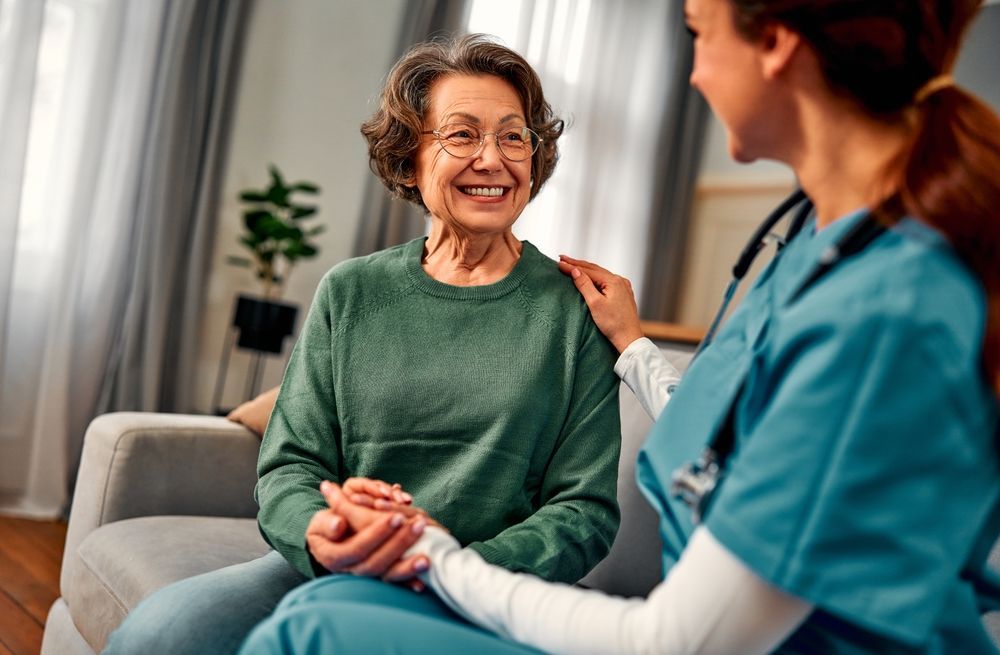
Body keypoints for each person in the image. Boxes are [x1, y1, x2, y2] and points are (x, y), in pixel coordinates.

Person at [239, 0, 1000, 653]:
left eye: (697, 31)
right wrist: (637, 350)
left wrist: (430, 554)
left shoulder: (878, 311)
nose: (694, 73)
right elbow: (737, 438)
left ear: (775, 44)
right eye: (461, 135)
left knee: (313, 628)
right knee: (299, 612)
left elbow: (674, 633)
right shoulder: (812, 250)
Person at [104, 35, 623, 654]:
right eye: (461, 135)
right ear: (408, 160)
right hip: (339, 564)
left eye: (514, 136)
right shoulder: (351, 291)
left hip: (487, 586)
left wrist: (450, 566)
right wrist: (321, 532)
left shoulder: (577, 308)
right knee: (158, 636)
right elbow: (291, 465)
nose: (493, 159)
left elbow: (584, 511)